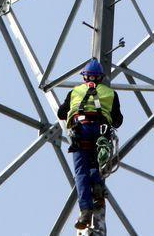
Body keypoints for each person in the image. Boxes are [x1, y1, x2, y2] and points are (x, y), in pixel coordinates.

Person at [57, 58, 123, 231]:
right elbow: (117, 121)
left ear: (85, 77)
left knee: (81, 172)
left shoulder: (75, 92)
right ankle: (98, 188)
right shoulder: (110, 93)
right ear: (100, 78)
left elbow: (61, 113)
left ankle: (85, 211)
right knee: (97, 163)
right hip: (101, 132)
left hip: (81, 131)